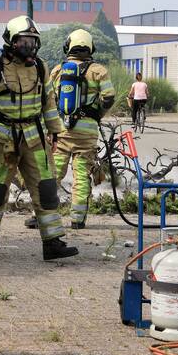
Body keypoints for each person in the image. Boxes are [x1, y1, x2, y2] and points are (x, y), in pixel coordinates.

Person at [0, 16, 79, 260]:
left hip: (35, 139)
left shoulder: (40, 67)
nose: (29, 46)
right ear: (11, 41)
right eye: (23, 40)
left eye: (32, 40)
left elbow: (49, 101)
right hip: (1, 139)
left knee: (46, 188)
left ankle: (52, 243)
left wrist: (55, 130)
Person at [48, 29, 115, 229]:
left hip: (62, 130)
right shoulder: (99, 70)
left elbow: (49, 100)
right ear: (90, 47)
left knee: (54, 173)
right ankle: (77, 219)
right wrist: (97, 115)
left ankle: (42, 214)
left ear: (68, 46)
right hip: (87, 133)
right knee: (81, 175)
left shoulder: (58, 70)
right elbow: (109, 97)